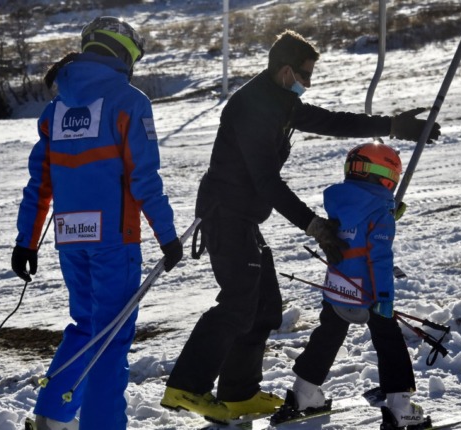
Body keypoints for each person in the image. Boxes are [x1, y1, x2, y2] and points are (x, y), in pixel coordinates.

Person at [160, 29, 439, 424]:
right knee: (240, 302)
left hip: (244, 217)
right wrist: (314, 225)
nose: (309, 84)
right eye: (306, 76)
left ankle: (239, 394)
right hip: (226, 214)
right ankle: (186, 385)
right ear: (287, 70)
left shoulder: (278, 102)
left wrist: (392, 125)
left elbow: (330, 121)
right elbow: (265, 180)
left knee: (264, 306)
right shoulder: (253, 108)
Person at [11, 16, 183, 430]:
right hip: (113, 240)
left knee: (87, 326)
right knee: (111, 339)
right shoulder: (129, 101)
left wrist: (26, 242)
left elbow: (41, 182)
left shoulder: (57, 108)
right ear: (123, 53)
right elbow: (144, 178)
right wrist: (168, 235)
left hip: (71, 237)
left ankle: (53, 415)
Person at [271, 142, 426, 429]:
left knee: (327, 336)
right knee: (389, 343)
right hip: (369, 293)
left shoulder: (341, 200)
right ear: (387, 176)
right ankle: (400, 407)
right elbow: (378, 257)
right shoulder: (379, 211)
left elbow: (356, 227)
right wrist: (383, 297)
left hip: (338, 287)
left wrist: (388, 213)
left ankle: (304, 394)